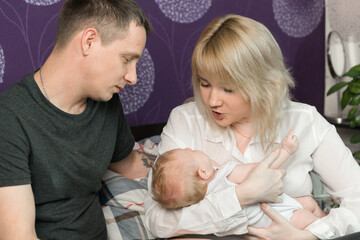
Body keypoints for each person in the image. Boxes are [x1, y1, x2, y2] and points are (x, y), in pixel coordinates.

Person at [144, 14, 360, 239]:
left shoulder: (305, 122)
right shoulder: (186, 122)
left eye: (228, 88)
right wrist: (241, 196)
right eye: (204, 83)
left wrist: (310, 235)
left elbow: (358, 202)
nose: (212, 100)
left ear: (263, 83)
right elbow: (157, 220)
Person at [0, 0, 152, 239]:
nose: (133, 77)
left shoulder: (106, 100)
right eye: (126, 59)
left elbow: (130, 164)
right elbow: (18, 235)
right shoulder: (9, 117)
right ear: (89, 41)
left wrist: (192, 166)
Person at [151, 130, 326, 231]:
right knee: (309, 214)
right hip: (282, 217)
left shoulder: (205, 198)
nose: (191, 148)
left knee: (307, 205)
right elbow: (265, 169)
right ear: (203, 172)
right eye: (190, 152)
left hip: (271, 217)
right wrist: (287, 150)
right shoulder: (228, 174)